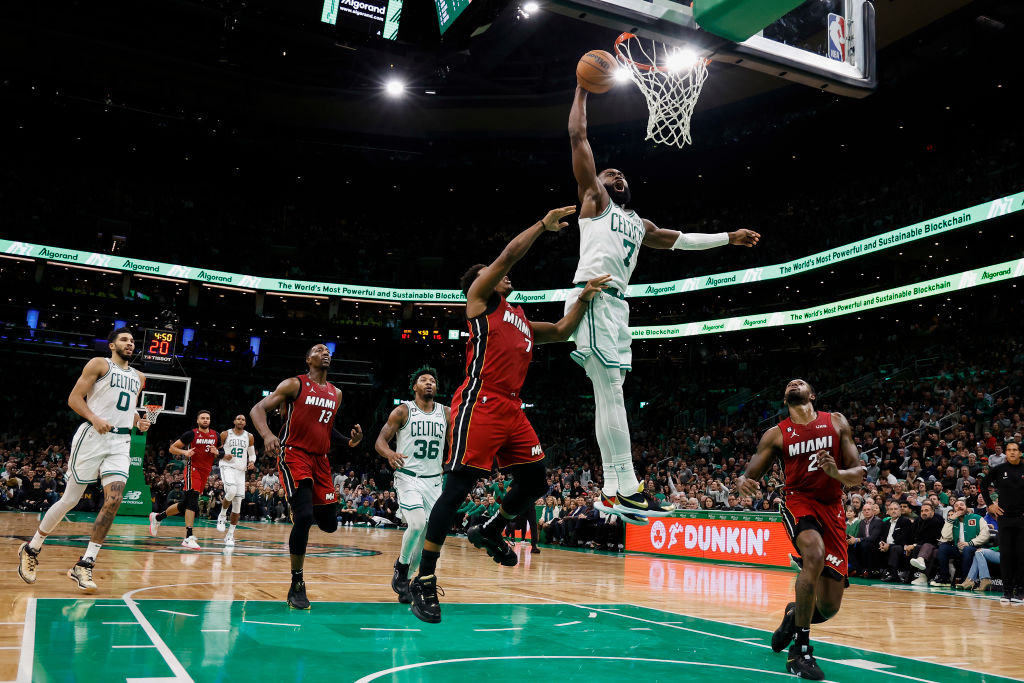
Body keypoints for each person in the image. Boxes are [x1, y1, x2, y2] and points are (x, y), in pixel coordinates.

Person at [407, 206, 612, 624]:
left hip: (513, 408)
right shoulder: (480, 301)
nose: (507, 275)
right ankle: (424, 578)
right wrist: (541, 225)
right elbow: (507, 257)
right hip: (480, 402)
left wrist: (585, 298)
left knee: (535, 479)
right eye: (497, 272)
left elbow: (560, 331)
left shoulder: (519, 318)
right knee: (458, 488)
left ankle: (492, 529)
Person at [568, 86, 759, 521]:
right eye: (608, 171)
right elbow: (578, 138)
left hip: (617, 307)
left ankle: (614, 491)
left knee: (607, 394)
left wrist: (728, 237)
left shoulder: (640, 223)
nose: (615, 174)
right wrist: (582, 89)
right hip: (595, 296)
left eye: (620, 174)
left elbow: (682, 240)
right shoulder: (595, 202)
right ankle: (628, 484)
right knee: (610, 392)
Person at [737, 379, 865, 681]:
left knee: (830, 607)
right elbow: (750, 473)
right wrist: (743, 482)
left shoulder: (835, 422)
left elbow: (858, 473)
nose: (795, 382)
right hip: (798, 502)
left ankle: (793, 616)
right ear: (786, 400)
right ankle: (801, 651)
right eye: (790, 384)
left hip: (832, 508)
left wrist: (837, 473)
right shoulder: (776, 435)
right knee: (814, 554)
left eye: (801, 382)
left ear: (813, 395)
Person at [17, 328, 149, 591]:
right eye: (124, 339)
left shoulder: (140, 377)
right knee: (70, 500)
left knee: (114, 499)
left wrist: (138, 421)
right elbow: (74, 399)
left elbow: (126, 407)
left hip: (121, 443)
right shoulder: (100, 364)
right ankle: (31, 549)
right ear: (112, 345)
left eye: (132, 341)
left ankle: (85, 563)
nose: (130, 344)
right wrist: (94, 418)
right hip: (93, 437)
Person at [249, 343, 363, 609]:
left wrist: (349, 442)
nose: (325, 352)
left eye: (328, 350)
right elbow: (257, 409)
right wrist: (267, 435)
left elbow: (327, 428)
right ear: (308, 358)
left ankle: (300, 509)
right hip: (294, 454)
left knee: (330, 524)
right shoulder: (294, 385)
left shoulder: (336, 393)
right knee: (303, 516)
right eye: (319, 349)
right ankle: (297, 583)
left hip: (321, 461)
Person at [374, 366, 449, 603]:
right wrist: (389, 454)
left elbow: (455, 441)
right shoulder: (403, 411)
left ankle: (408, 581)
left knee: (428, 536)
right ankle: (401, 567)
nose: (429, 383)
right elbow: (379, 441)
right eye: (423, 380)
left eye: (432, 381)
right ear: (414, 386)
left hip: (435, 481)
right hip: (408, 477)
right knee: (416, 524)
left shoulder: (446, 413)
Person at [149, 410, 221, 550]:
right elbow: (172, 448)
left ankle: (157, 517)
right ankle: (188, 537)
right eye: (203, 418)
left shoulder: (216, 435)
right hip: (192, 469)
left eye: (207, 418)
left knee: (186, 504)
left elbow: (222, 452)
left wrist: (218, 453)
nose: (205, 420)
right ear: (198, 420)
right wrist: (185, 452)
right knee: (193, 501)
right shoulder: (191, 434)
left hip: (205, 471)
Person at [979, 441, 1023, 604]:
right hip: (1004, 519)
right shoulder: (999, 470)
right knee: (1006, 556)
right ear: (1005, 453)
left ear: (1020, 453)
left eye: (1015, 450)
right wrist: (990, 504)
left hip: (1022, 520)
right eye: (1009, 450)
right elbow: (983, 484)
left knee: (1020, 555)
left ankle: (1020, 591)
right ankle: (1006, 592)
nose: (1012, 452)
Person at [930, 498, 990, 588]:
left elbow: (985, 535)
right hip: (958, 549)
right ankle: (944, 578)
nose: (959, 507)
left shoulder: (977, 518)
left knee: (967, 549)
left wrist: (970, 543)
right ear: (954, 510)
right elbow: (945, 536)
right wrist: (951, 520)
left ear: (966, 507)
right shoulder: (953, 521)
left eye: (962, 505)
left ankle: (966, 579)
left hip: (974, 548)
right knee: (943, 548)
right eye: (956, 506)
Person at [216, 414, 256, 546]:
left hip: (240, 471)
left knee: (237, 504)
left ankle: (230, 535)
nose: (240, 421)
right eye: (238, 418)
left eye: (243, 419)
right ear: (234, 421)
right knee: (231, 490)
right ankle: (222, 516)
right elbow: (215, 450)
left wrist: (251, 462)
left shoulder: (249, 436)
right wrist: (224, 455)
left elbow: (252, 454)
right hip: (227, 466)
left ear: (245, 423)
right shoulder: (225, 434)